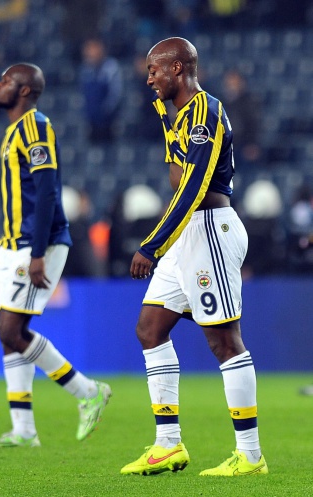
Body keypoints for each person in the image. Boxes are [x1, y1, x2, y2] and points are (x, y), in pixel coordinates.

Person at [120, 38, 267, 476]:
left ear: (178, 69)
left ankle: (250, 455)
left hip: (209, 230)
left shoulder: (205, 112)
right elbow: (177, 175)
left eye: (155, 70)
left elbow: (194, 187)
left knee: (224, 341)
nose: (149, 78)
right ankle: (168, 444)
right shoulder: (175, 114)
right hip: (189, 233)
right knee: (150, 329)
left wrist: (152, 244)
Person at [0, 63, 111, 449]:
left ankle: (88, 392)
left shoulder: (35, 126)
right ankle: (23, 430)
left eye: (6, 81)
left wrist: (38, 252)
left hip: (36, 245)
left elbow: (48, 191)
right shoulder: (13, 131)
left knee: (11, 331)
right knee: (10, 336)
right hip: (12, 244)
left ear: (24, 91)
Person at [79, 38, 123, 144]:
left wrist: (105, 112)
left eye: (93, 48)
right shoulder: (85, 69)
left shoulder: (111, 67)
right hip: (91, 120)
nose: (90, 53)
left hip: (109, 120)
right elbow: (84, 95)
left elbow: (115, 94)